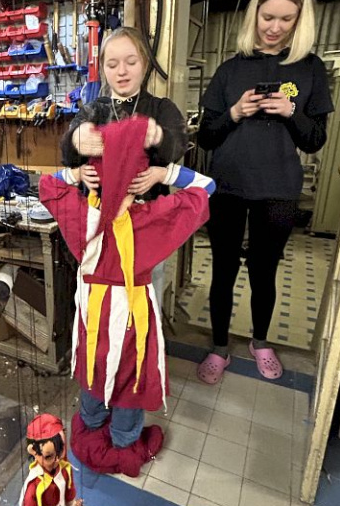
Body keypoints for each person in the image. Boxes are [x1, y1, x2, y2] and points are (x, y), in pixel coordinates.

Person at [40, 117, 214, 477]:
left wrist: (77, 174)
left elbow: (47, 185)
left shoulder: (79, 213)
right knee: (131, 374)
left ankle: (91, 424)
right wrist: (163, 174)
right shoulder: (151, 219)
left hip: (92, 310)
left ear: (96, 175)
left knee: (95, 364)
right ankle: (123, 440)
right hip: (133, 314)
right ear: (139, 178)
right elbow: (207, 186)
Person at [195, 0, 333, 386]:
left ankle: (260, 342)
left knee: (264, 271)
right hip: (228, 186)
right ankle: (219, 346)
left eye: (286, 19)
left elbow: (315, 140)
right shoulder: (230, 69)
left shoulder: (309, 69)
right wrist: (235, 112)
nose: (274, 27)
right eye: (267, 17)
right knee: (222, 270)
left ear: (299, 20)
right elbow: (206, 136)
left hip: (279, 189)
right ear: (254, 14)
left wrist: (291, 112)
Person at [61, 26, 187, 302]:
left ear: (145, 63)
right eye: (112, 64)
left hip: (148, 224)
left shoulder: (161, 109)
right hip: (99, 224)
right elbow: (67, 157)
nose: (122, 71)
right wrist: (76, 141)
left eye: (131, 62)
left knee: (146, 293)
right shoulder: (93, 110)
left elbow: (177, 146)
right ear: (103, 69)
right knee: (103, 294)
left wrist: (159, 137)